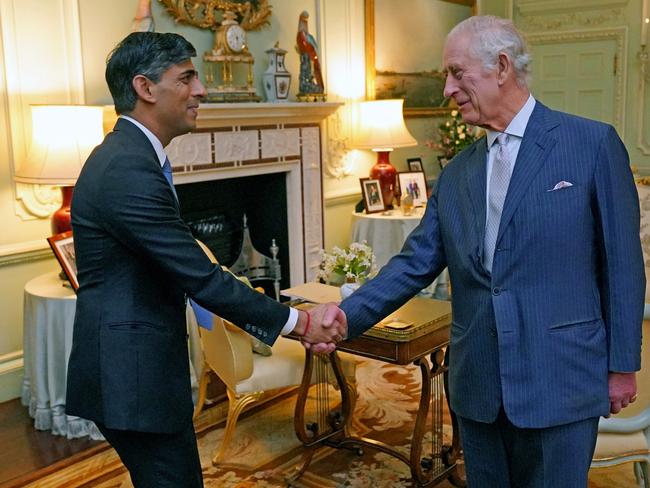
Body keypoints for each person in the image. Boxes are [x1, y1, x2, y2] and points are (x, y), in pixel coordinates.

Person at [339, 15, 644, 487]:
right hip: (478, 386)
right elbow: (414, 264)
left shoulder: (590, 144)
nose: (447, 89)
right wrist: (344, 317)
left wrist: (622, 366)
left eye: (457, 73)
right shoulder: (458, 173)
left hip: (559, 379)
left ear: (501, 66)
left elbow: (623, 266)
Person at [65, 32, 346, 488]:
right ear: (145, 88)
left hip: (135, 368)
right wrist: (300, 324)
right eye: (187, 78)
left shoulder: (132, 157)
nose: (202, 90)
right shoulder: (127, 169)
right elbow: (200, 276)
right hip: (131, 376)